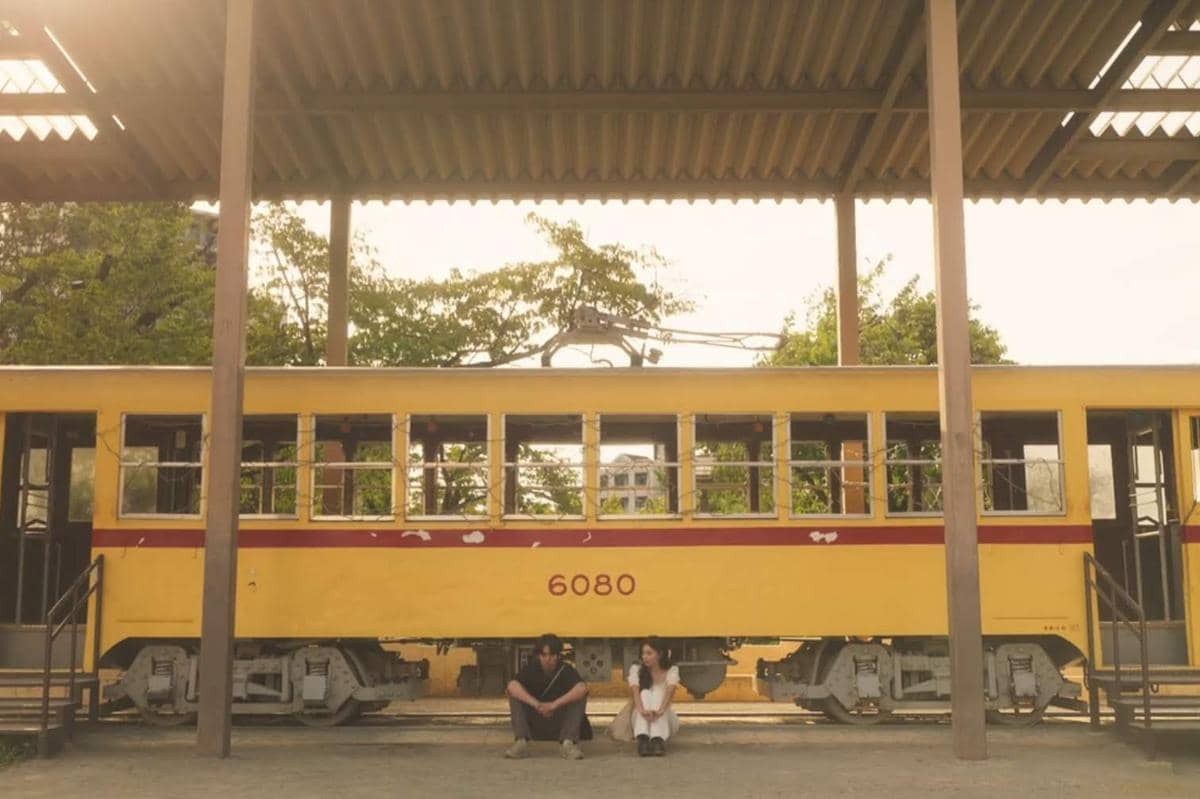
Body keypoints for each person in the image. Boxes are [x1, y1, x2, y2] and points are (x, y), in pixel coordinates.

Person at [504, 633, 591, 760]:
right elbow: (512, 686)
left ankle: (568, 743)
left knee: (579, 695)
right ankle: (521, 741)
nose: (547, 659)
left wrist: (553, 705)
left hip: (560, 723)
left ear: (558, 656)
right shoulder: (531, 669)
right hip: (536, 722)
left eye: (552, 655)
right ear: (538, 655)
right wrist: (537, 705)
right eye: (543, 655)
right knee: (515, 694)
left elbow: (582, 688)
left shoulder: (565, 670)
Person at [628, 636, 680, 756]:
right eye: (643, 653)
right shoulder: (636, 669)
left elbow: (669, 693)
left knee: (657, 692)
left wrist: (659, 712)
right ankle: (643, 738)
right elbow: (635, 694)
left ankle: (657, 739)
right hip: (640, 715)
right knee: (645, 693)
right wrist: (643, 711)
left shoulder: (672, 670)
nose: (644, 656)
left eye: (649, 653)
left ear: (660, 654)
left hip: (664, 715)